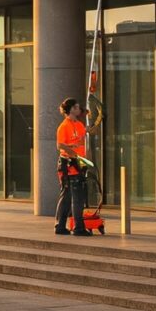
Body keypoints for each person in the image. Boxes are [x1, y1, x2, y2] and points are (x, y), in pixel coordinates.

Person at [54, 98, 91, 236]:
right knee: (74, 196)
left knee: (71, 196)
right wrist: (74, 155)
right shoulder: (64, 126)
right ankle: (77, 227)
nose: (79, 109)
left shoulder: (79, 124)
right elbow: (60, 145)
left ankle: (62, 226)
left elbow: (83, 140)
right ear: (70, 109)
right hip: (68, 163)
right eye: (76, 107)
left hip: (79, 163)